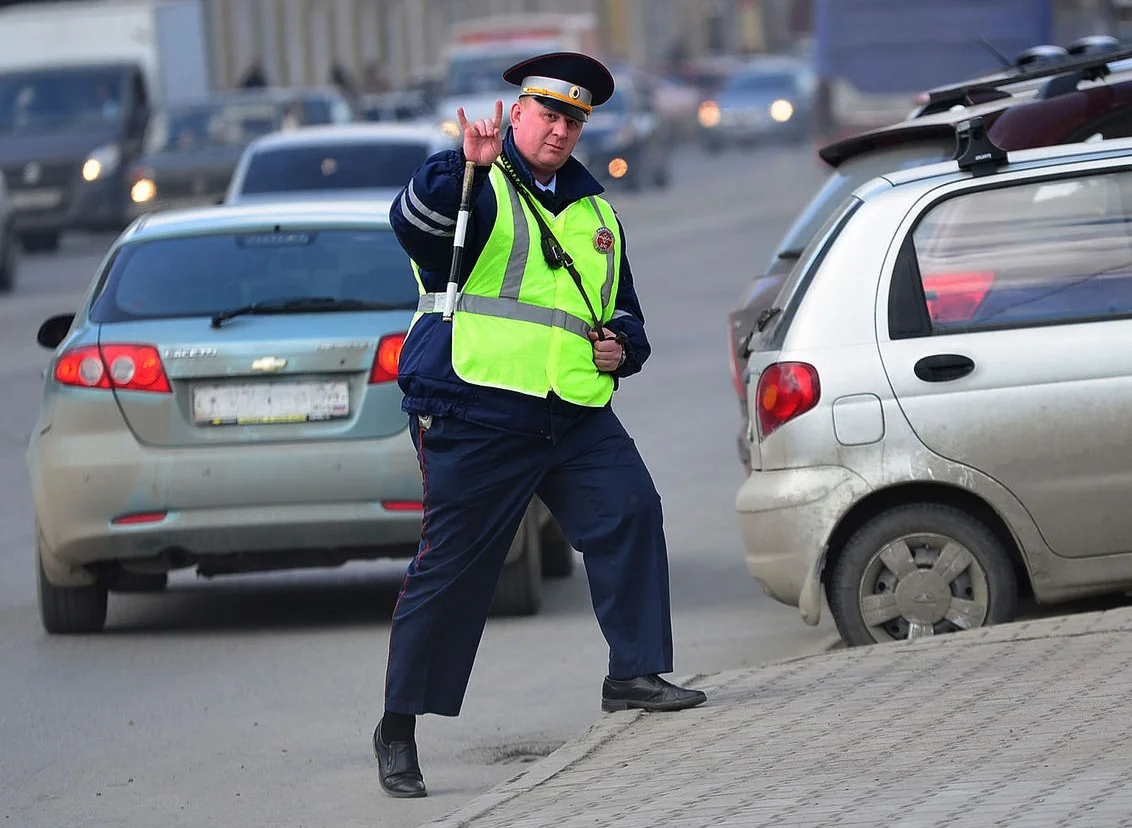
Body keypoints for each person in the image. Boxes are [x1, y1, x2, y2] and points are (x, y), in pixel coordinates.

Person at [376, 51, 706, 799]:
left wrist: (625, 349)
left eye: (573, 120)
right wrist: (461, 169)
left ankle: (634, 673)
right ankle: (398, 728)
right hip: (477, 406)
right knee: (454, 572)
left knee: (631, 509)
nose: (559, 130)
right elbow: (414, 228)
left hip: (573, 411)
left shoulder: (596, 213)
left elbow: (624, 310)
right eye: (547, 114)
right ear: (517, 114)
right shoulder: (476, 186)